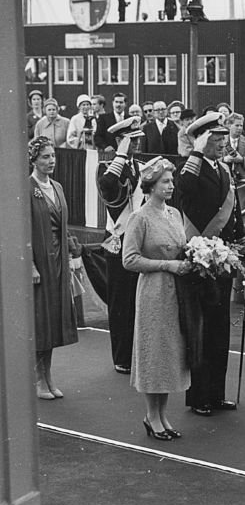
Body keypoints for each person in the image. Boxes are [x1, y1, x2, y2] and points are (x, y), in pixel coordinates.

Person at [178, 112, 245, 416]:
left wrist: (243, 248)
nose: (222, 143)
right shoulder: (190, 168)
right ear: (203, 139)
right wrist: (195, 150)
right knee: (201, 330)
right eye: (216, 138)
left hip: (223, 257)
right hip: (199, 258)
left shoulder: (224, 171)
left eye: (222, 138)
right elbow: (184, 191)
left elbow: (235, 213)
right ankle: (200, 396)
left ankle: (217, 393)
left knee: (220, 329)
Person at [121, 157, 192, 440]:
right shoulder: (140, 217)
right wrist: (166, 265)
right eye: (165, 181)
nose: (171, 186)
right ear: (150, 186)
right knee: (154, 352)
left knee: (170, 351)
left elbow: (182, 247)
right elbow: (128, 259)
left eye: (172, 181)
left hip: (177, 291)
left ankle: (163, 414)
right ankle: (152, 416)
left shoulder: (174, 214)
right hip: (153, 291)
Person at [28, 137, 78, 400]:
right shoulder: (27, 188)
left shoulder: (57, 187)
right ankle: (38, 379)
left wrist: (71, 249)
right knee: (41, 321)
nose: (51, 161)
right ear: (34, 159)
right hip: (40, 263)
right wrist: (31, 266)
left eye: (53, 156)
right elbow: (22, 231)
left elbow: (63, 225)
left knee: (54, 321)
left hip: (59, 260)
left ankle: (48, 376)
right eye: (45, 157)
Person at [98, 116, 146, 373]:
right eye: (132, 139)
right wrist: (121, 154)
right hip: (118, 239)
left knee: (136, 298)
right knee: (120, 302)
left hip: (137, 238)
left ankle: (136, 352)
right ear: (120, 140)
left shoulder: (139, 167)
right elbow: (107, 186)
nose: (137, 143)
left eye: (137, 139)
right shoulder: (108, 167)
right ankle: (121, 356)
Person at [223, 112, 245, 180]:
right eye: (237, 125)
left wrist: (242, 160)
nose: (240, 128)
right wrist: (224, 159)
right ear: (229, 125)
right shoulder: (221, 141)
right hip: (225, 180)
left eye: (241, 125)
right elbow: (213, 160)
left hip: (244, 183)